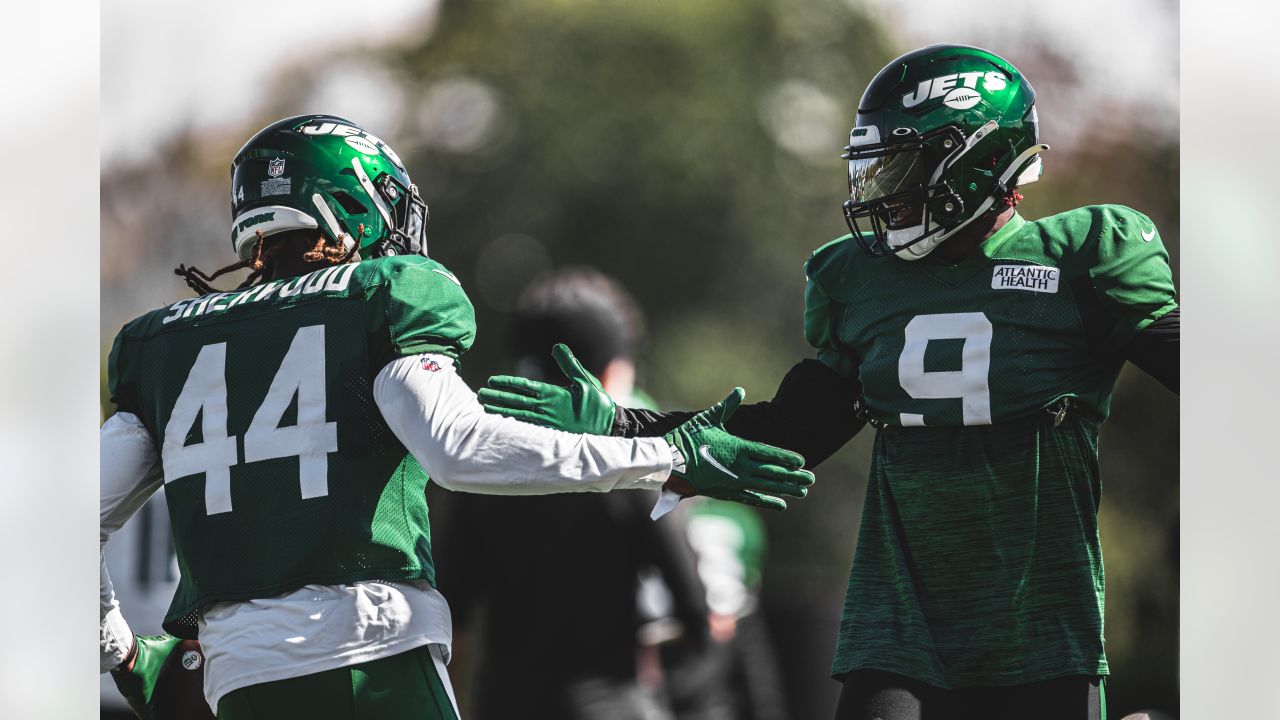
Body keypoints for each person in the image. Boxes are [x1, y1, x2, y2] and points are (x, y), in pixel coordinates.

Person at [478, 45, 1179, 720]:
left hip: (1040, 631)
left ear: (974, 159)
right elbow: (789, 434)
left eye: (899, 167)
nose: (883, 194)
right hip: (899, 629)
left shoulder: (1083, 258)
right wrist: (621, 426)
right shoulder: (862, 282)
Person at [99, 114, 815, 719]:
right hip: (370, 656)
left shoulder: (161, 343)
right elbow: (459, 449)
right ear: (349, 206)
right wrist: (668, 455)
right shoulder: (387, 295)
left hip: (238, 675)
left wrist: (117, 646)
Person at [437, 268, 712, 720]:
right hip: (610, 705)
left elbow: (452, 618)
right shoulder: (628, 469)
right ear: (606, 372)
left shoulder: (476, 467)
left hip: (504, 704)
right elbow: (695, 610)